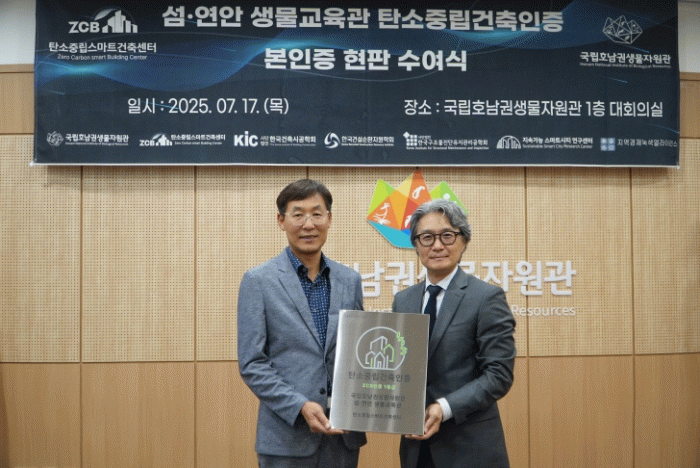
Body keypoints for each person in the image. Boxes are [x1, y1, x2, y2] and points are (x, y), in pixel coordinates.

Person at [238, 179, 367, 468]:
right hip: (286, 438)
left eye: (317, 214)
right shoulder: (258, 281)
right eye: (298, 215)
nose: (308, 224)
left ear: (329, 219)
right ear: (281, 221)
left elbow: (358, 353)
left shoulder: (350, 281)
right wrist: (299, 406)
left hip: (342, 437)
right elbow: (252, 363)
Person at [392, 199, 516, 468]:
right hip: (416, 449)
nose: (437, 246)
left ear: (463, 240)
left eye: (447, 236)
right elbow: (399, 365)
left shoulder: (486, 297)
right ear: (416, 244)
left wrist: (444, 408)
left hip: (470, 448)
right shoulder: (403, 300)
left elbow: (499, 374)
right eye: (427, 237)